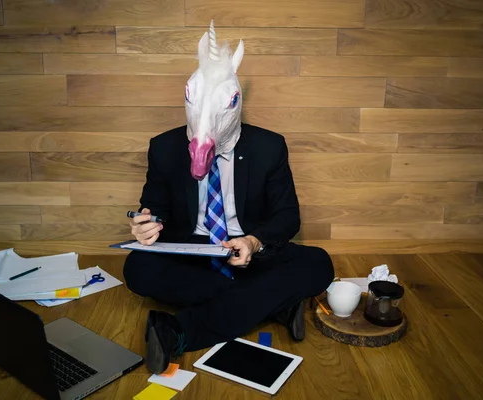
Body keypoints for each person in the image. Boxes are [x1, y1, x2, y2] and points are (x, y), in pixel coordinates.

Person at [122, 21, 335, 375]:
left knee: (319, 263)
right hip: (191, 252)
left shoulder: (269, 147)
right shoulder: (163, 147)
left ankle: (178, 330)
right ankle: (275, 304)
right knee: (136, 268)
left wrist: (253, 241)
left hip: (250, 252)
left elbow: (287, 217)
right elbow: (154, 205)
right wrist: (146, 222)